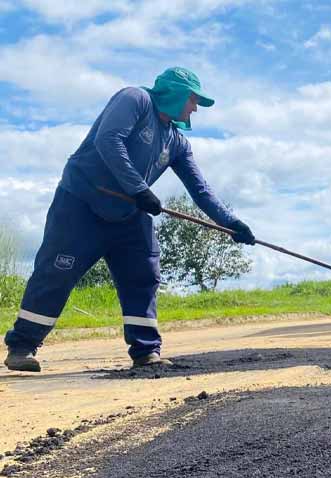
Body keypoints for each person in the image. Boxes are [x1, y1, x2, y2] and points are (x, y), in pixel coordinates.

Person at [4, 68, 256, 373]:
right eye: (193, 99)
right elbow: (109, 140)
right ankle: (21, 347)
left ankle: (145, 350)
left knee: (144, 273)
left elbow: (201, 192)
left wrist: (232, 224)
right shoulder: (135, 99)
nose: (195, 108)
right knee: (58, 270)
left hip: (129, 212)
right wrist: (139, 188)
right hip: (81, 203)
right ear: (175, 93)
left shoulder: (177, 142)